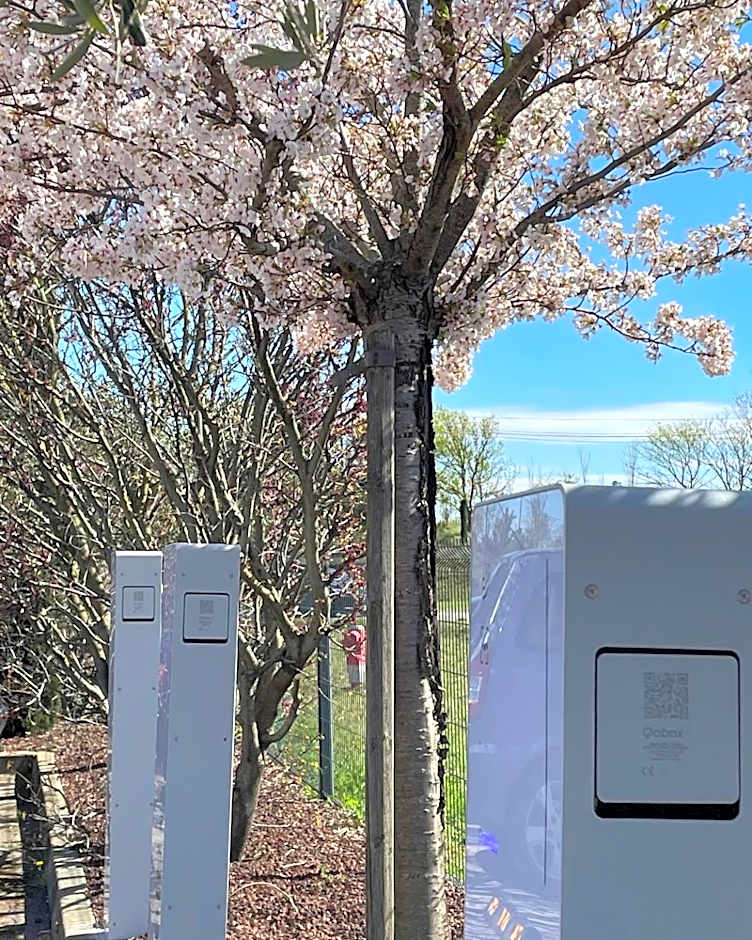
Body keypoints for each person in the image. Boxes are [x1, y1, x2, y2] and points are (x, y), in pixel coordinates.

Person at [343, 624, 366, 690]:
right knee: (354, 671)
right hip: (354, 658)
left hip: (357, 659)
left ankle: (357, 686)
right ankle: (355, 686)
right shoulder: (356, 631)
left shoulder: (355, 633)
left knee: (357, 672)